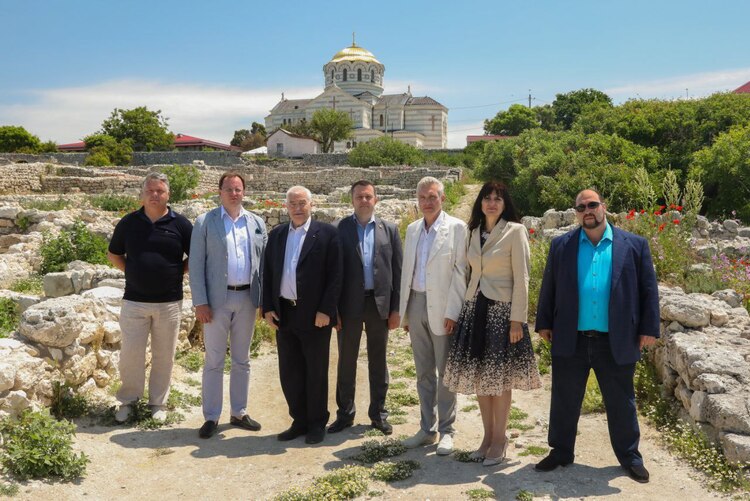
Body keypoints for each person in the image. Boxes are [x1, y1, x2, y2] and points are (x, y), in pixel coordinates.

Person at [534, 189, 659, 483]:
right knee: (564, 398)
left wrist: (649, 328)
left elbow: (648, 290)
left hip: (616, 338)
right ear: (576, 212)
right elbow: (549, 286)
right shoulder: (561, 245)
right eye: (581, 207)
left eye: (592, 204)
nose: (587, 210)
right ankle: (561, 451)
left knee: (621, 401)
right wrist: (543, 323)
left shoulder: (634, 245)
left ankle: (630, 457)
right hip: (571, 336)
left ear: (604, 206)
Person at [444, 182, 541, 466]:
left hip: (502, 313)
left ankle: (500, 439)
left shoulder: (515, 231)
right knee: (479, 378)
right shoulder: (473, 232)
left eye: (497, 199)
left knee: (499, 380)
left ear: (504, 203)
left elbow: (522, 278)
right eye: (487, 198)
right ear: (480, 202)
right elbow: (468, 273)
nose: (491, 203)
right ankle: (486, 438)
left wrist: (517, 321)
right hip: (474, 311)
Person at [108, 172, 192, 423]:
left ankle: (158, 403)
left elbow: (195, 257)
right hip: (134, 301)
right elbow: (114, 255)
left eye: (160, 191)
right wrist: (133, 272)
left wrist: (176, 272)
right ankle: (128, 402)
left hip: (169, 302)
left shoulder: (181, 224)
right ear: (143, 193)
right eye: (150, 190)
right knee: (131, 354)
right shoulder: (128, 222)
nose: (155, 195)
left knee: (163, 355)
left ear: (168, 194)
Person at [189, 171, 267, 439]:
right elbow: (196, 265)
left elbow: (263, 264)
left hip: (247, 298)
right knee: (214, 360)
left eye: (238, 189)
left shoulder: (256, 222)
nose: (234, 194)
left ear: (244, 192)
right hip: (216, 301)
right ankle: (211, 416)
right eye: (229, 189)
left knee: (242, 359)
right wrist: (200, 301)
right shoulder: (205, 222)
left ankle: (239, 412)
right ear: (220, 192)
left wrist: (263, 301)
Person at [262, 186, 342, 445]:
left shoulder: (327, 234)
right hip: (285, 312)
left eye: (302, 203)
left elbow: (335, 275)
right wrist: (268, 307)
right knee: (290, 370)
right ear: (286, 207)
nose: (297, 208)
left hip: (314, 315)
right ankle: (299, 420)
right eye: (293, 204)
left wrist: (326, 311)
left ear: (311, 205)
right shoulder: (276, 235)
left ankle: (317, 422)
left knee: (316, 370)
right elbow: (268, 273)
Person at [398, 176, 467, 455]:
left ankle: (447, 430)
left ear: (443, 198)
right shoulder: (413, 229)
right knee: (423, 371)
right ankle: (426, 428)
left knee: (446, 372)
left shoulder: (457, 228)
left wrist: (453, 311)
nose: (427, 202)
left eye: (432, 197)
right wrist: (406, 313)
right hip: (416, 303)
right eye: (423, 197)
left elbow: (461, 272)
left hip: (443, 307)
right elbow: (408, 272)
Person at [329, 180, 403, 436]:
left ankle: (378, 414)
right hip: (348, 306)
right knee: (346, 361)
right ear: (352, 200)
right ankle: (345, 414)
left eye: (368, 196)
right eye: (359, 196)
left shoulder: (389, 229)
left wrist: (396, 309)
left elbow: (398, 272)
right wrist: (332, 309)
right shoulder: (339, 229)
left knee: (378, 360)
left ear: (376, 200)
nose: (364, 201)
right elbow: (332, 274)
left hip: (378, 304)